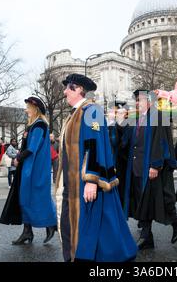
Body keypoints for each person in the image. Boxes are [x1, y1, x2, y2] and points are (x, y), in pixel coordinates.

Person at [55, 73, 137, 262]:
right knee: (71, 223)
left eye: (68, 87)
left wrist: (92, 179)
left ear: (79, 90)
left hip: (83, 183)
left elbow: (94, 145)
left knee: (91, 226)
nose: (65, 91)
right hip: (71, 182)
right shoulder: (74, 114)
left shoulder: (91, 111)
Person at [120, 89, 177, 250]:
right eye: (136, 100)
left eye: (140, 99)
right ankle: (147, 237)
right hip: (136, 168)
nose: (137, 102)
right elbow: (126, 142)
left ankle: (175, 220)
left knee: (158, 200)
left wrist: (155, 165)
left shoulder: (159, 116)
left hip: (150, 168)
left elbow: (161, 142)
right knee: (142, 201)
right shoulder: (136, 119)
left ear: (150, 101)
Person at [0, 97, 57, 245]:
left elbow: (32, 148)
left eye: (28, 107)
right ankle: (27, 231)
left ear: (35, 109)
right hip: (29, 168)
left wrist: (18, 158)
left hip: (34, 170)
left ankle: (50, 224)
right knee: (24, 198)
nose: (26, 110)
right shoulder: (33, 125)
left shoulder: (39, 126)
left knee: (37, 198)